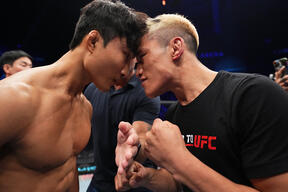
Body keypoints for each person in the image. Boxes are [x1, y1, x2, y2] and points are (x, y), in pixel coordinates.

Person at [114, 14, 288, 192]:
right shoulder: (174, 115)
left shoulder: (253, 95)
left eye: (142, 58)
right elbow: (179, 183)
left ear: (175, 48)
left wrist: (179, 160)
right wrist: (146, 177)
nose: (137, 72)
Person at [0, 0, 146, 191]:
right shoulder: (14, 96)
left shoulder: (85, 107)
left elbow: (67, 173)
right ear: (93, 41)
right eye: (126, 56)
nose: (128, 72)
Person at [83, 57, 160, 192]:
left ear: (135, 58)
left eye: (126, 54)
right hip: (100, 181)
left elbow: (141, 134)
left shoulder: (146, 90)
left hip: (135, 182)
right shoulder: (92, 89)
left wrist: (132, 149)